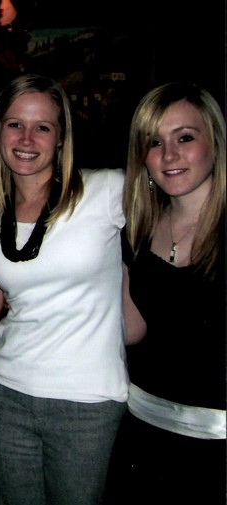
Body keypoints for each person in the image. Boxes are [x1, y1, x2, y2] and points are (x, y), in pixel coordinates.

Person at [0, 73, 129, 505]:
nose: (26, 138)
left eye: (42, 127)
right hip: (7, 393)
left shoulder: (106, 191)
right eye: (15, 124)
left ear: (61, 139)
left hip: (87, 402)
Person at [105, 82, 226, 504]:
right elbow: (132, 330)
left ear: (215, 142)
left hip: (215, 455)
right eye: (154, 142)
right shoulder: (135, 232)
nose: (169, 154)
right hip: (142, 439)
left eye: (185, 137)